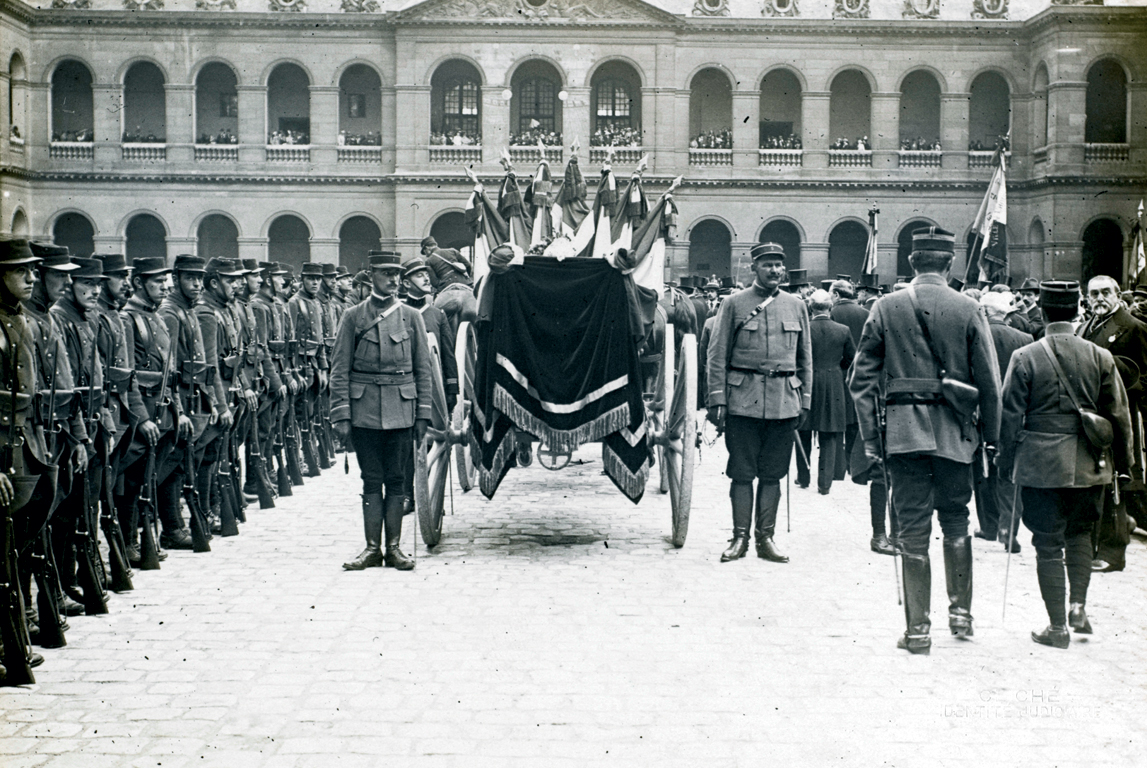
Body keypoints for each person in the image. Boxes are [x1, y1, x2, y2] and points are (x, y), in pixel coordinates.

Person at [850, 226, 1001, 655]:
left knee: (912, 530)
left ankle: (918, 631)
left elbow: (860, 383)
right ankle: (961, 614)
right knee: (956, 519)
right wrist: (990, 440)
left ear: (911, 263)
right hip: (957, 433)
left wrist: (872, 440)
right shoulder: (969, 307)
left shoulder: (886, 306)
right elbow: (990, 384)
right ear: (949, 263)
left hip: (902, 435)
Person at [998, 281, 1133, 649]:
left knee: (1046, 543)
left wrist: (1005, 461)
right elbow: (1119, 417)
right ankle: (1078, 607)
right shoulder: (1100, 356)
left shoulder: (1025, 356)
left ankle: (1057, 627)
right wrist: (1124, 466)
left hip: (1041, 466)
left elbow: (1010, 417)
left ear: (1042, 312)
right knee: (1080, 536)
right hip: (1091, 464)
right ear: (1077, 312)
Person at [706, 242, 812, 565]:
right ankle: (740, 538)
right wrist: (717, 400)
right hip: (742, 402)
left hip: (783, 402)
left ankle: (766, 538)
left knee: (773, 474)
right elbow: (716, 355)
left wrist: (805, 400)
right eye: (768, 265)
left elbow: (805, 358)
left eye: (779, 265)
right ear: (754, 268)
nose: (775, 271)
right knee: (741, 472)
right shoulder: (734, 304)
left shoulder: (796, 306)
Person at [330, 252, 433, 572]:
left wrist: (423, 415)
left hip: (402, 409)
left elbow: (423, 370)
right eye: (386, 273)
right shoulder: (353, 316)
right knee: (371, 479)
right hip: (364, 412)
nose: (393, 279)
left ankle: (394, 548)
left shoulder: (412, 317)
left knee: (397, 479)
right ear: (371, 274)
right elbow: (339, 369)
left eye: (396, 274)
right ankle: (373, 548)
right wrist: (342, 414)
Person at [0, 237, 53, 679]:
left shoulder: (22, 322)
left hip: (25, 446)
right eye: (22, 271)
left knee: (16, 547)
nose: (32, 278)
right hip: (3, 457)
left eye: (33, 270)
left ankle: (18, 630)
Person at [120, 256, 188, 555]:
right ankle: (128, 542)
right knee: (133, 478)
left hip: (164, 408)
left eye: (165, 281)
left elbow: (169, 374)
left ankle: (159, 530)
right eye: (158, 282)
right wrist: (141, 417)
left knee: (157, 472)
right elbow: (128, 375)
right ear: (139, 283)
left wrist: (180, 410)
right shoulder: (128, 318)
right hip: (143, 414)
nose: (165, 286)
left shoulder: (156, 316)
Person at [1078, 274, 1147, 572]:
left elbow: (1143, 378)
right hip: (1090, 417)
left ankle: (1112, 552)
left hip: (1118, 415)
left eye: (1106, 292)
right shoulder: (1084, 327)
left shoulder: (1133, 327)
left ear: (1118, 294)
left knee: (1118, 481)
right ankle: (1096, 545)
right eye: (1093, 294)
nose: (1099, 299)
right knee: (1096, 481)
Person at [158, 254, 218, 551]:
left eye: (199, 279)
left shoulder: (188, 310)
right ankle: (171, 527)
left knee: (182, 464)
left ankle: (175, 524)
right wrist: (177, 408)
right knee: (171, 465)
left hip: (194, 395)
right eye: (190, 278)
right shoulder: (171, 313)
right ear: (177, 279)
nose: (196, 284)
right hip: (180, 397)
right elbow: (169, 367)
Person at [974, 291, 1033, 552]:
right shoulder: (1025, 338)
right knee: (1009, 471)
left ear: (984, 311)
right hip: (1014, 414)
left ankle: (988, 525)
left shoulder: (975, 335)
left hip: (981, 413)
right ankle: (1008, 528)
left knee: (983, 471)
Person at [797, 290, 854, 495]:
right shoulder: (843, 330)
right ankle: (825, 483)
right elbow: (850, 358)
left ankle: (803, 477)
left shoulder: (805, 329)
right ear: (830, 307)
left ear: (810, 307)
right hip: (833, 382)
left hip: (807, 382)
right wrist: (837, 368)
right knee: (829, 434)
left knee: (803, 430)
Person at [421, 236, 476, 332]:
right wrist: (465, 277)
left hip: (446, 286)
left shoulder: (429, 261)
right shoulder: (452, 251)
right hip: (465, 283)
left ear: (427, 248)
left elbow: (434, 283)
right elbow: (468, 265)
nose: (425, 254)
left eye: (424, 251)